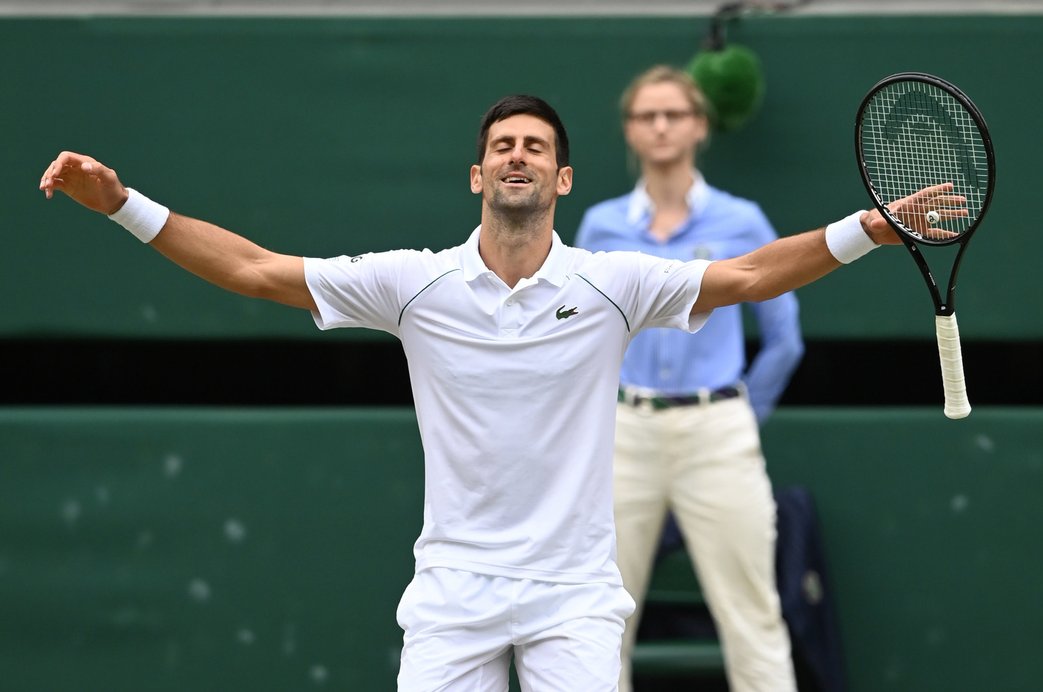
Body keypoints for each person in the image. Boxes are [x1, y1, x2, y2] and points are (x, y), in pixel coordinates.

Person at [38, 94, 960, 692]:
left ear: (561, 179)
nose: (517, 156)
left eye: (536, 148)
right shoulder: (412, 283)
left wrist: (870, 229)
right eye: (502, 147)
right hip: (451, 596)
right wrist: (126, 206)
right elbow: (251, 269)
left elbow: (751, 276)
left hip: (574, 599)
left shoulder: (614, 281)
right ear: (480, 176)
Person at [574, 66, 803, 691]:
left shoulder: (742, 220)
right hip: (623, 433)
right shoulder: (598, 227)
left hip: (717, 430)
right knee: (597, 617)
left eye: (674, 113)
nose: (661, 126)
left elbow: (784, 336)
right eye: (647, 115)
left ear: (699, 126)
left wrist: (735, 416)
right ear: (629, 130)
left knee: (752, 613)